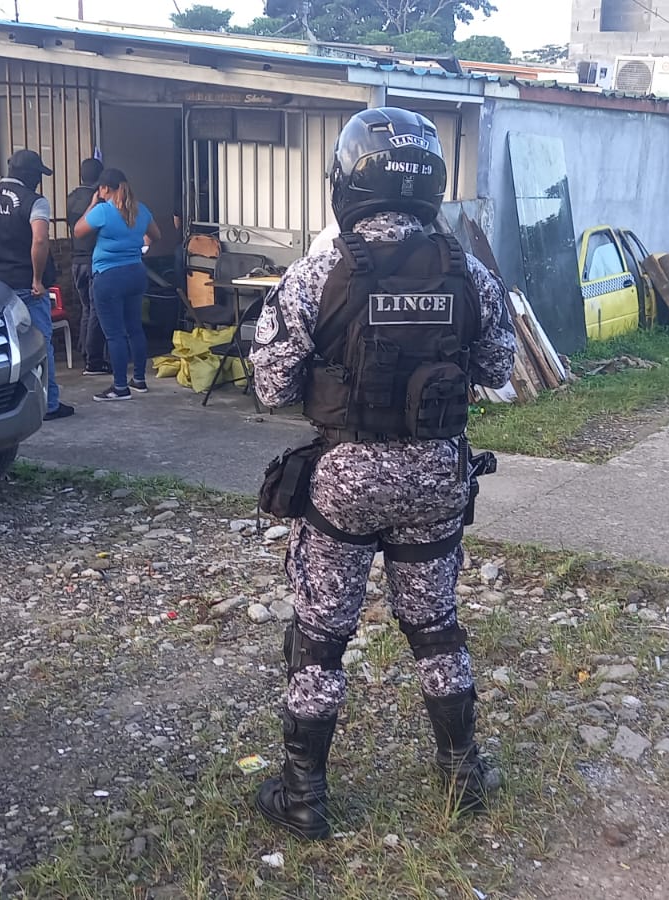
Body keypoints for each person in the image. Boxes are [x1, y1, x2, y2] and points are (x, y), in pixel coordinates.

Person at [248, 107, 517, 840]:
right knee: (434, 625)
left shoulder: (320, 270)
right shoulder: (468, 271)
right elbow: (498, 368)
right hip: (437, 476)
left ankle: (304, 797)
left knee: (320, 638)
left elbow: (269, 384)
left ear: (348, 179)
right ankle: (462, 773)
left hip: (347, 480)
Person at [0, 149, 74, 420]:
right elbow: (40, 240)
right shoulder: (35, 201)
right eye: (39, 175)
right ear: (32, 175)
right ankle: (48, 404)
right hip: (27, 286)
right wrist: (37, 278)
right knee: (40, 343)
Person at [74, 168, 161, 402]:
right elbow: (156, 235)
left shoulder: (103, 210)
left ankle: (120, 387)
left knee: (114, 334)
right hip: (135, 273)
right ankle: (139, 380)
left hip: (109, 276)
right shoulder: (140, 210)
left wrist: (92, 204)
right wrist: (139, 245)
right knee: (135, 328)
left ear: (104, 188)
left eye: (100, 190)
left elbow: (78, 231)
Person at [66, 158, 110, 376]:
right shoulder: (99, 201)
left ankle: (84, 350)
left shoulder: (71, 197)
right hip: (94, 260)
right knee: (97, 311)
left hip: (76, 261)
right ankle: (94, 359)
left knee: (86, 309)